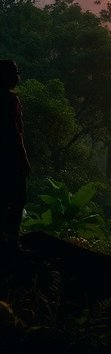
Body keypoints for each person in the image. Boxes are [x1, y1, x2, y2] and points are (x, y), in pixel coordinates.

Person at [0, 59, 31, 257]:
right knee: (17, 199)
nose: (18, 77)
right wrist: (23, 159)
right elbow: (14, 133)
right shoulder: (9, 100)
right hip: (10, 160)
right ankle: (11, 243)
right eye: (15, 73)